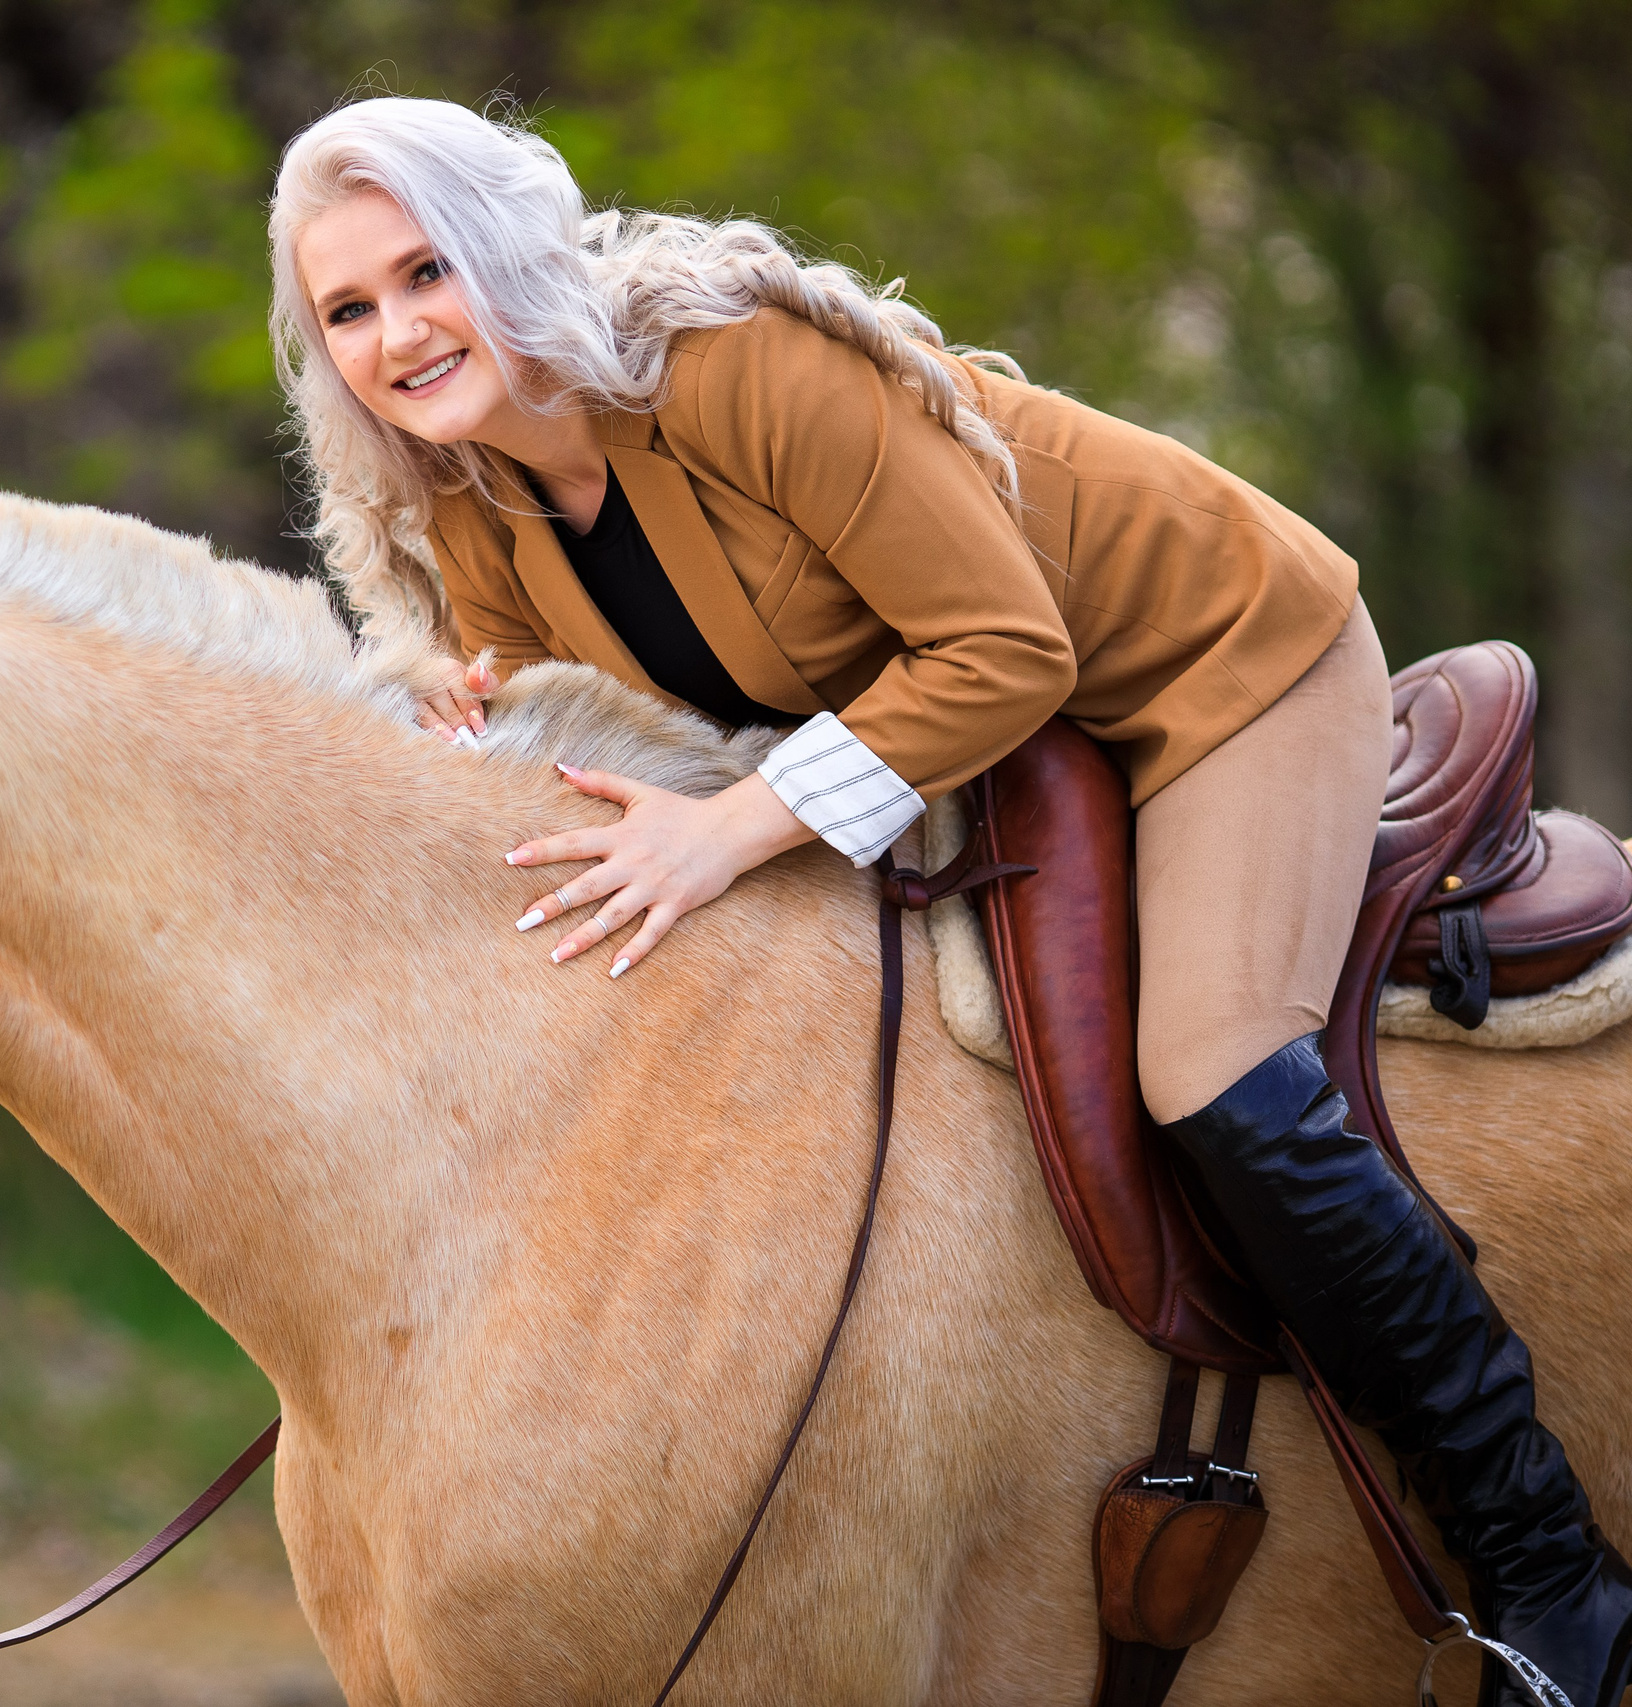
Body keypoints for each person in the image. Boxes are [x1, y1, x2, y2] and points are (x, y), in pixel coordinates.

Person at [265, 94, 1630, 1705]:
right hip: (979, 751)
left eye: (426, 272)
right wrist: (476, 731)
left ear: (508, 248)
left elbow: (1004, 650)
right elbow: (610, 731)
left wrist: (731, 830)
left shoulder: (730, 368)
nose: (396, 335)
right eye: (347, 310)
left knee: (1212, 1072)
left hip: (1204, 665)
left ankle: (1556, 1579)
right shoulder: (475, 509)